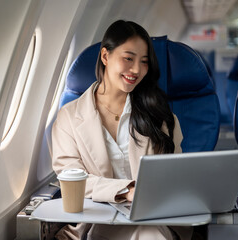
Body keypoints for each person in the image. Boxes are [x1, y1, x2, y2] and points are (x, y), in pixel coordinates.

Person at [51, 20, 192, 239]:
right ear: (105, 56)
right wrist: (127, 191)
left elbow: (175, 176)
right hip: (94, 221)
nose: (136, 70)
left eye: (144, 62)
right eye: (128, 58)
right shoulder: (69, 117)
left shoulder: (160, 115)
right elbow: (72, 180)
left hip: (150, 219)